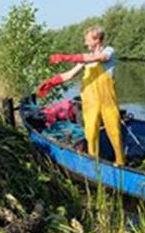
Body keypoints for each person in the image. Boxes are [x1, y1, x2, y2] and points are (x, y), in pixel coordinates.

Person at [37, 25, 126, 166]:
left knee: (114, 131)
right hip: (90, 103)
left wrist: (65, 57)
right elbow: (70, 75)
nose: (85, 43)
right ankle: (94, 163)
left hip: (108, 102)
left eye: (87, 40)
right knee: (91, 134)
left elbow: (98, 58)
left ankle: (120, 162)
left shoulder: (109, 51)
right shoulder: (85, 59)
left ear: (96, 40)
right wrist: (51, 82)